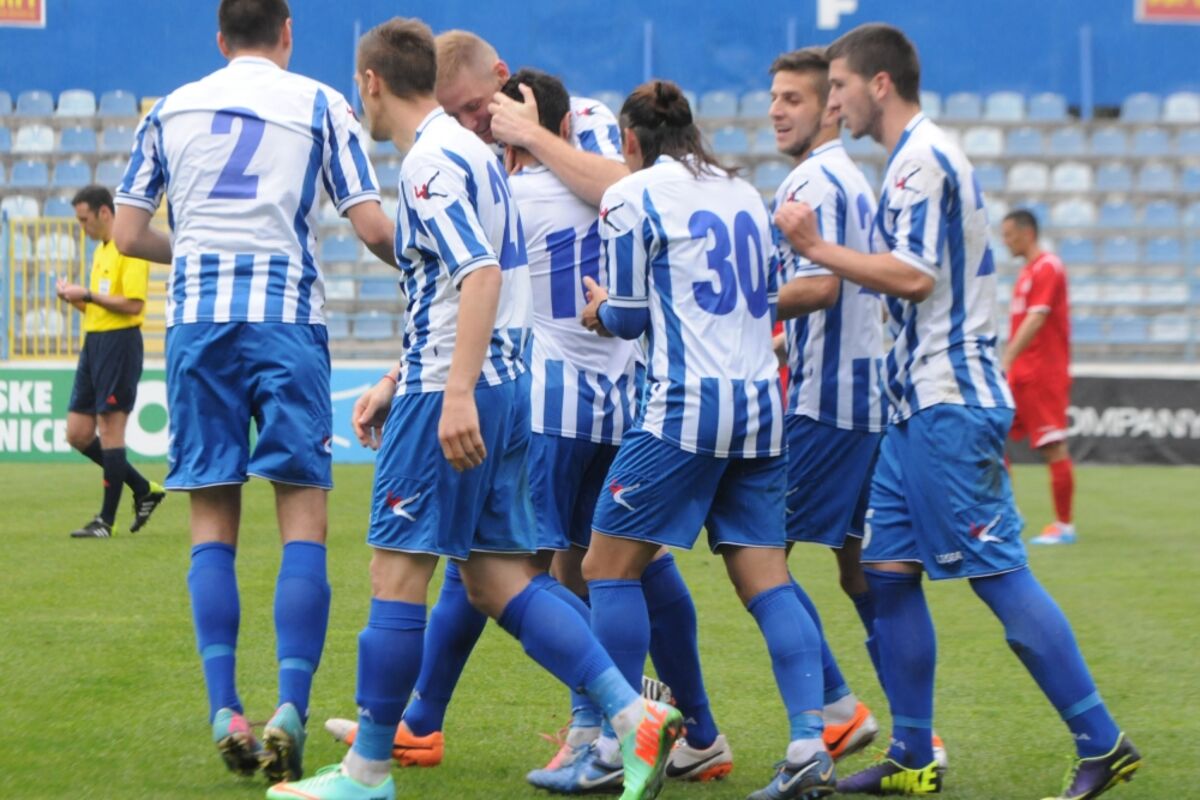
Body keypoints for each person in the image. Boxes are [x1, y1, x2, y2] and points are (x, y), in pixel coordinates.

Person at [268, 18, 680, 800]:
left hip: (452, 391)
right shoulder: (477, 155)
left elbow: (479, 274)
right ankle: (633, 715)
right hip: (512, 387)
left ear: (372, 82)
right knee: (497, 579)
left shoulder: (429, 162)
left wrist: (452, 390)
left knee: (396, 575)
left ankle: (368, 772)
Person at [775, 22, 1140, 798]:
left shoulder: (918, 163)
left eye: (838, 87)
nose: (833, 103)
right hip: (912, 407)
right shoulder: (915, 159)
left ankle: (1102, 740)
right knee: (886, 572)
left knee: (997, 574)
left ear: (879, 84)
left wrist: (817, 247)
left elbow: (912, 278)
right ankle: (912, 755)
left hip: (950, 401)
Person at [112, 0, 396, 784]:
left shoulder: (170, 109)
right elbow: (374, 228)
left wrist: (199, 249)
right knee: (303, 514)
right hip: (285, 322)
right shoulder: (319, 103)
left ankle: (224, 710)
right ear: (287, 33)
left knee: (212, 521)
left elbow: (127, 234)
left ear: (220, 39)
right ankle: (290, 707)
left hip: (199, 324)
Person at [579, 79, 835, 800]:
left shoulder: (629, 195)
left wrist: (601, 310)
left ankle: (618, 742)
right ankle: (808, 743)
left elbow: (630, 316)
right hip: (759, 405)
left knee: (606, 566)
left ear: (631, 140)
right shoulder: (744, 192)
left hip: (685, 406)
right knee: (766, 579)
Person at [768, 46, 888, 762]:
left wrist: (734, 307)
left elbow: (819, 286)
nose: (777, 111)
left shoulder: (812, 179)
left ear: (830, 106)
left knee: (758, 554)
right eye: (774, 98)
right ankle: (917, 731)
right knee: (863, 571)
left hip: (827, 404)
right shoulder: (850, 177)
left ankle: (836, 712)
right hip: (865, 397)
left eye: (794, 99)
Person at [56, 184, 165, 539]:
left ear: (104, 212)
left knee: (110, 428)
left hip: (120, 344)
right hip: (95, 343)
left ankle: (105, 521)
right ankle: (143, 488)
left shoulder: (128, 248)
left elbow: (133, 305)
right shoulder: (102, 250)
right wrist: (75, 298)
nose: (82, 227)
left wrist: (87, 294)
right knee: (77, 433)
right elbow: (99, 307)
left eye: (84, 219)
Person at [435, 29, 627, 205]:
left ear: (501, 73)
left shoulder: (581, 114)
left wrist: (530, 135)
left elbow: (621, 192)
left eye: (473, 105)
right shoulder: (455, 151)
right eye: (453, 115)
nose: (469, 125)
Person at [1001, 209, 1076, 545]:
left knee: (1052, 446)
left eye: (1009, 235)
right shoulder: (1027, 271)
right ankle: (1007, 513)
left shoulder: (1048, 266)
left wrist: (1007, 357)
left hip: (1043, 373)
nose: (1006, 242)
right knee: (991, 436)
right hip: (1021, 373)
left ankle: (1064, 526)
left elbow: (1037, 318)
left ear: (1027, 233)